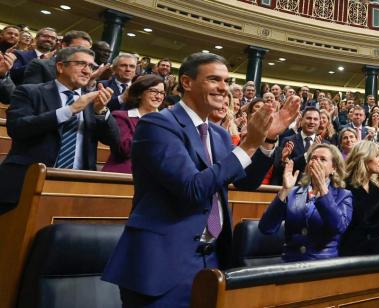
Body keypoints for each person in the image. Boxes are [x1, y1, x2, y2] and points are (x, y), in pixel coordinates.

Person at [102, 52, 300, 307]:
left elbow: (245, 182)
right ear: (186, 82)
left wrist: (267, 140)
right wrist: (249, 144)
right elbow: (192, 188)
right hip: (162, 263)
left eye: (226, 81)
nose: (223, 88)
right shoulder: (157, 124)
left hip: (211, 259)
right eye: (214, 80)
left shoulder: (217, 134)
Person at [0, 47, 119, 213]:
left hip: (74, 187)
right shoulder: (30, 91)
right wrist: (69, 110)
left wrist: (101, 113)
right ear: (60, 66)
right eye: (80, 64)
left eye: (91, 66)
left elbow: (115, 142)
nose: (87, 70)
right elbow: (17, 128)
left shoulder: (95, 101)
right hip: (25, 182)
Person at [259, 144, 352, 261]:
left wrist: (322, 188)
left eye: (323, 159)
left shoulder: (344, 195)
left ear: (334, 168)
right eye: (313, 158)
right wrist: (284, 190)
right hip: (291, 263)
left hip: (324, 264)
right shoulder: (292, 192)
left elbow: (338, 227)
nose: (316, 162)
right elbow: (266, 228)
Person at [339, 141, 379, 256]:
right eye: (377, 156)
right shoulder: (345, 186)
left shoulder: (374, 186)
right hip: (356, 253)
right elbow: (361, 217)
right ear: (364, 157)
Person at [102, 75, 164, 173]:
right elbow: (124, 150)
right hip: (122, 177)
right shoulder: (121, 117)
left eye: (161, 93)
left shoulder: (165, 122)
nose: (158, 96)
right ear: (139, 94)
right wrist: (151, 123)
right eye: (153, 91)